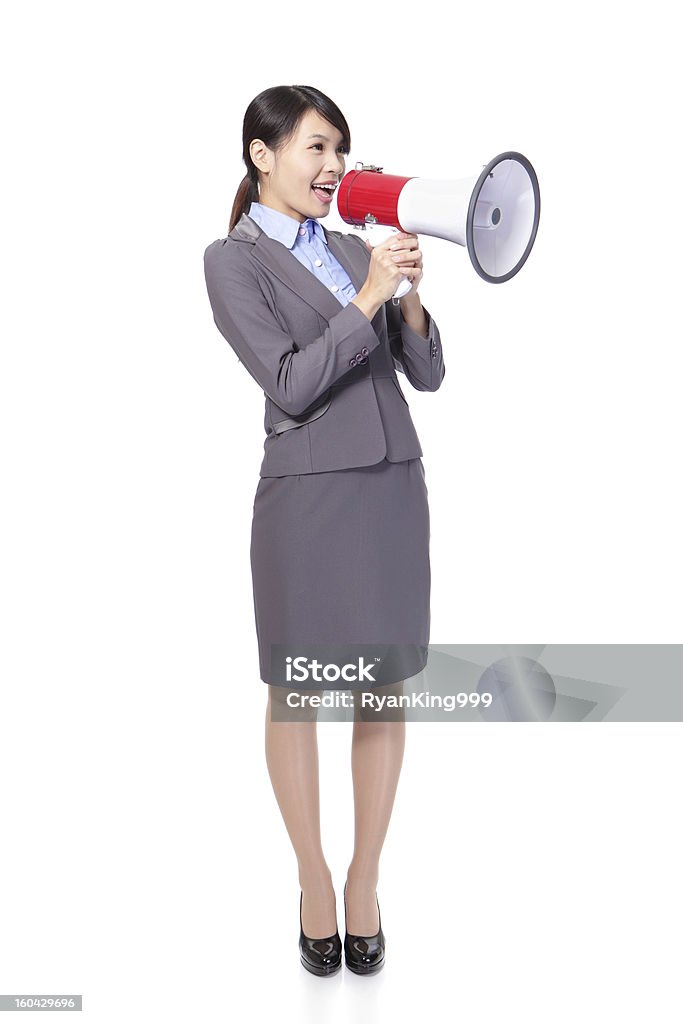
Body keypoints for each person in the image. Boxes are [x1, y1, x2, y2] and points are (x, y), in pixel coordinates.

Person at [203, 85, 445, 976]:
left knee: (382, 688)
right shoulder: (231, 262)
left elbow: (425, 373)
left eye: (339, 147)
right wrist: (366, 298)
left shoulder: (350, 245)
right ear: (262, 156)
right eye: (315, 147)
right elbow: (290, 384)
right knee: (300, 689)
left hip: (390, 487)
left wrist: (408, 298)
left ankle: (364, 882)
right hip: (307, 503)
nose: (334, 165)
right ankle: (311, 879)